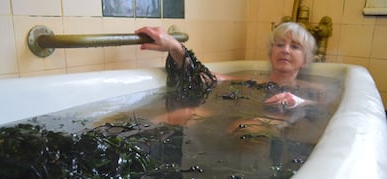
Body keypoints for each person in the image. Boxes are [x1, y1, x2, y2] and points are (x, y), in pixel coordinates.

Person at [135, 22, 318, 111]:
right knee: (183, 115)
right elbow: (204, 76)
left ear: (306, 60)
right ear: (270, 53)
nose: (285, 50)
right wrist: (175, 47)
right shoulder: (250, 81)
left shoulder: (313, 90)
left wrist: (301, 101)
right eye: (279, 45)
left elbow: (325, 108)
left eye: (294, 47)